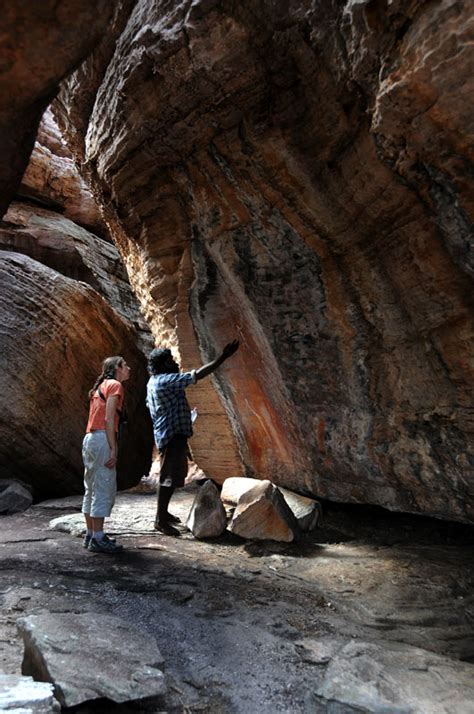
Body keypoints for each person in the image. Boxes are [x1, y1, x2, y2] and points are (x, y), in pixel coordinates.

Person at [146, 340, 239, 536]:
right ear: (163, 364)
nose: (173, 362)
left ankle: (164, 514)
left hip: (170, 434)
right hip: (171, 435)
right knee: (167, 478)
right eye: (169, 360)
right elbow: (196, 376)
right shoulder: (165, 380)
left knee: (172, 477)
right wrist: (223, 357)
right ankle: (160, 520)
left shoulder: (152, 382)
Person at [82, 355, 131, 554]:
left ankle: (90, 534)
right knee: (103, 486)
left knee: (91, 487)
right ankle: (99, 538)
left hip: (90, 439)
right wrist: (113, 448)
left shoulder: (100, 386)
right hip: (102, 439)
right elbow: (110, 419)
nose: (128, 368)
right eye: (125, 365)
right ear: (118, 368)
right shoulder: (114, 386)